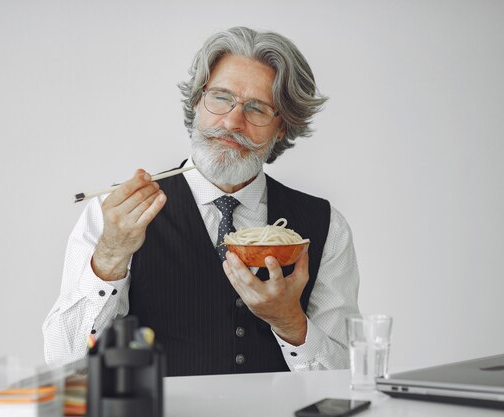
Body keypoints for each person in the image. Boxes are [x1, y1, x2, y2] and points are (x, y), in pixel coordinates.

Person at [43, 26, 360, 376]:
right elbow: (63, 362)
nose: (232, 122)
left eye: (257, 109)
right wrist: (110, 256)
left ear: (282, 127)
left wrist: (291, 325)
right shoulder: (115, 213)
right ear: (197, 101)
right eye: (221, 97)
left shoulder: (327, 226)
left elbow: (346, 381)